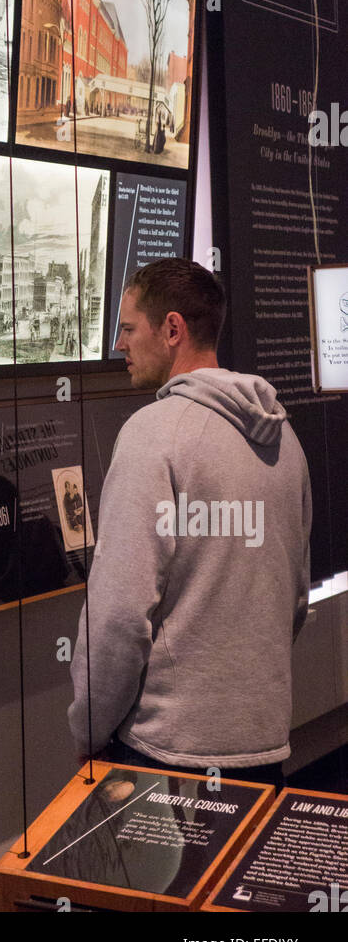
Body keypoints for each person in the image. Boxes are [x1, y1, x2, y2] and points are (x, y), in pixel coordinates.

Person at [68, 258, 311, 782]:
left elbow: (117, 616)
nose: (119, 345)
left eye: (129, 329)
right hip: (264, 745)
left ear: (172, 329)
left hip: (167, 754)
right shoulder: (284, 437)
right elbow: (295, 596)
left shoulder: (151, 435)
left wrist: (88, 728)